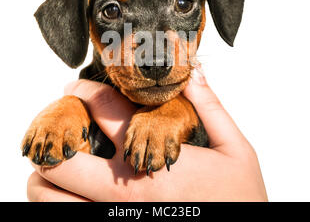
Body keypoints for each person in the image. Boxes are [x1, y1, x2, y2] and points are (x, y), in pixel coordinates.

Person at [27, 66, 268, 202]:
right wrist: (69, 108)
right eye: (112, 11)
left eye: (182, 4)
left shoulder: (186, 109)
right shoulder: (81, 102)